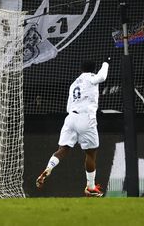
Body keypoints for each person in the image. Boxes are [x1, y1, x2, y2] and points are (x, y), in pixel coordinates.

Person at [36, 59, 109, 197]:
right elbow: (102, 77)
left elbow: (68, 106)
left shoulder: (74, 83)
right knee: (91, 154)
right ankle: (90, 187)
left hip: (70, 118)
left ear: (81, 68)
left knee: (62, 149)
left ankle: (48, 168)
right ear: (93, 69)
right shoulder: (91, 78)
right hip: (86, 118)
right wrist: (106, 64)